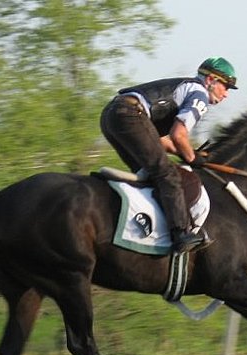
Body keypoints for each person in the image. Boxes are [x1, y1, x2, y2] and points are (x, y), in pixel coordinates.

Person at [100, 56, 237, 253]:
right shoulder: (199, 95)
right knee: (168, 174)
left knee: (146, 174)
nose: (226, 95)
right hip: (130, 114)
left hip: (112, 115)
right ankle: (180, 233)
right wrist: (192, 158)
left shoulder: (187, 88)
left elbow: (157, 140)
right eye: (225, 86)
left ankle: (143, 226)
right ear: (210, 80)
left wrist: (186, 152)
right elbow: (178, 135)